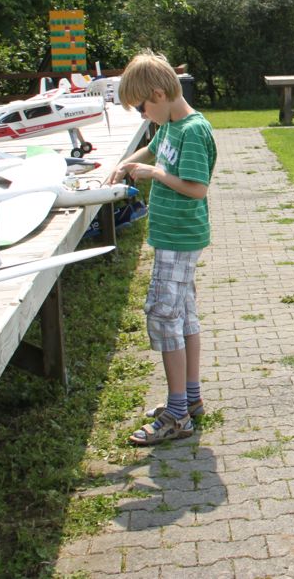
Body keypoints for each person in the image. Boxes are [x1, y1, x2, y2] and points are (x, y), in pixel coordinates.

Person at [111, 50, 217, 446]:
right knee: (183, 314)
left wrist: (155, 174)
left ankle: (176, 416)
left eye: (141, 107)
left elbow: (197, 188)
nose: (143, 116)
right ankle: (190, 398)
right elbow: (153, 150)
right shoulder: (170, 125)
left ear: (158, 94)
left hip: (179, 236)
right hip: (172, 235)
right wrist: (125, 164)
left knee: (163, 313)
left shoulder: (192, 131)